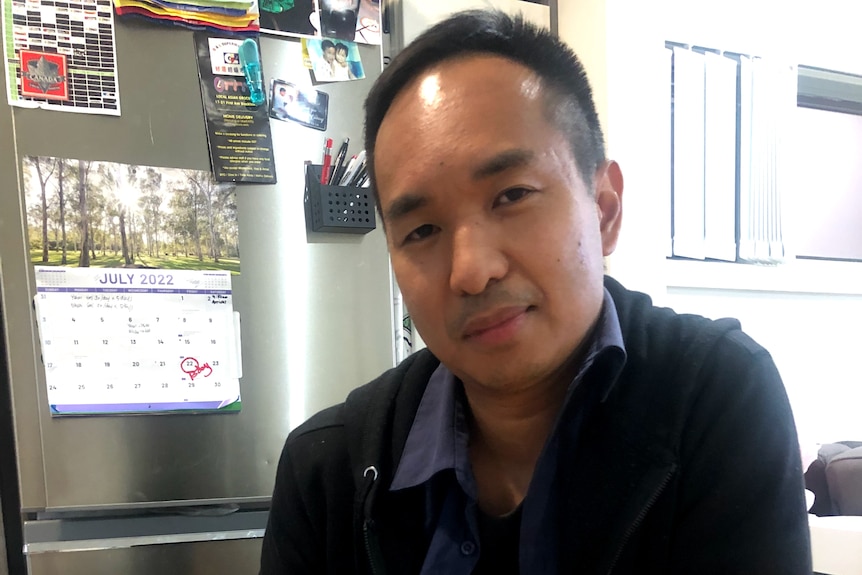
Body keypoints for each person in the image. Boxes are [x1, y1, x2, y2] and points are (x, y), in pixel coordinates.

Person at [260, 10, 811, 574]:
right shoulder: (327, 470)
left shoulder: (713, 402)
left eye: (512, 195)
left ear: (604, 210)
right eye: (422, 231)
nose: (471, 272)